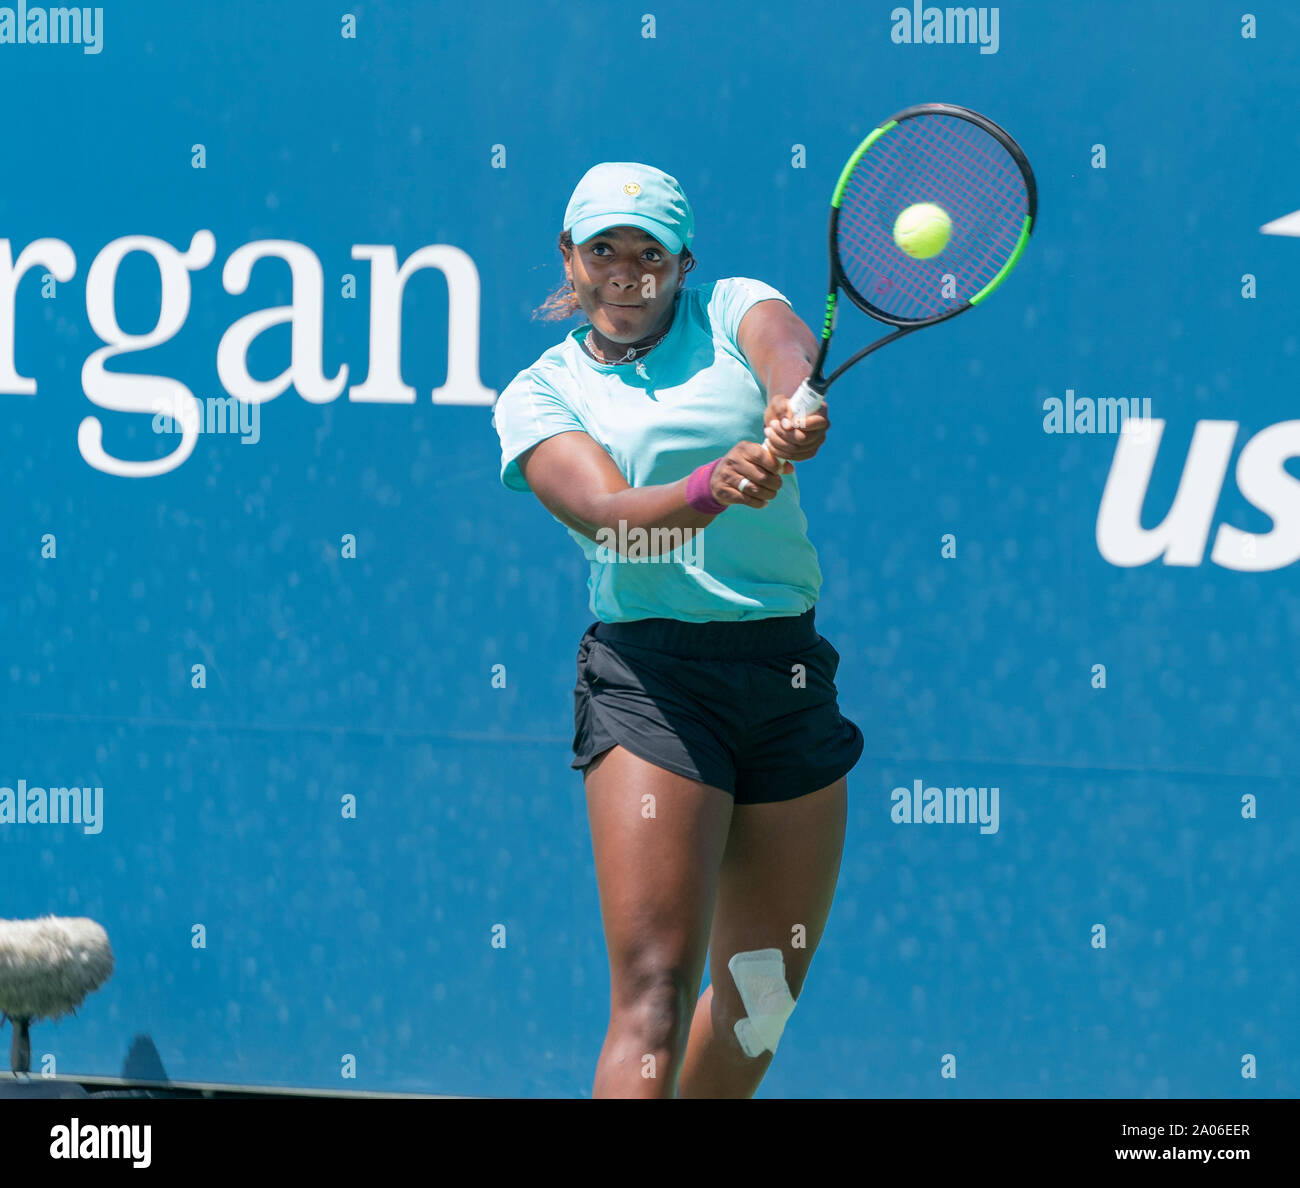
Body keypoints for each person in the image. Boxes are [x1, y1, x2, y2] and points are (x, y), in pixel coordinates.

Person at [491, 162, 864, 1098]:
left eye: (648, 251)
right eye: (602, 249)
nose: (625, 270)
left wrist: (792, 397)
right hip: (655, 681)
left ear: (683, 261)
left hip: (785, 675)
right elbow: (609, 514)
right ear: (569, 257)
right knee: (655, 993)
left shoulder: (732, 306)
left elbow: (783, 346)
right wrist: (708, 486)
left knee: (761, 998)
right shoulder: (540, 394)